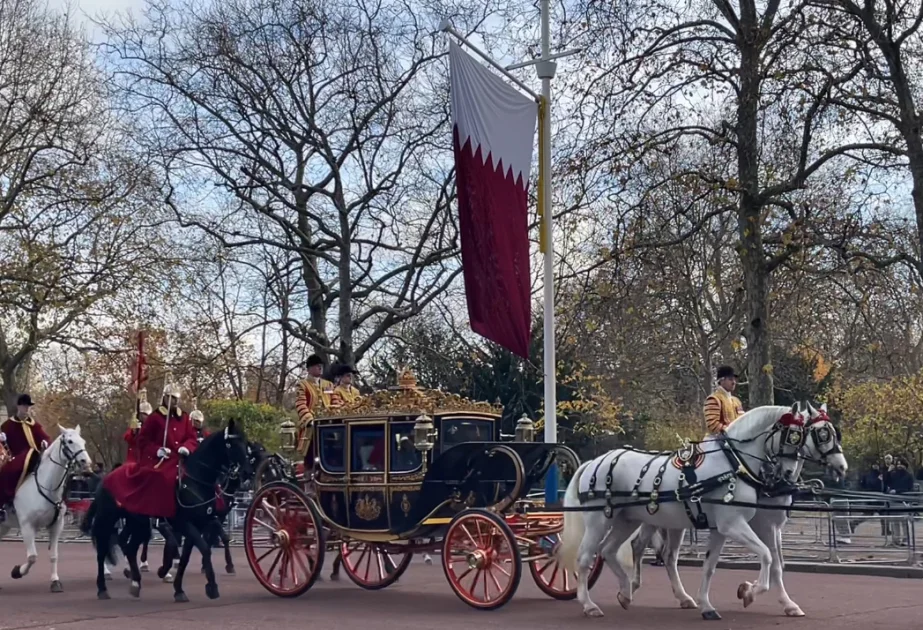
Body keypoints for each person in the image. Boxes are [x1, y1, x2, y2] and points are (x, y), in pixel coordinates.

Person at [102, 383, 199, 519]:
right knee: (160, 477)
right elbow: (143, 441)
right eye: (170, 398)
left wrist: (187, 447)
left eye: (176, 399)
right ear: (164, 398)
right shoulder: (155, 417)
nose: (173, 402)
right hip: (162, 459)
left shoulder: (184, 417)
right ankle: (164, 515)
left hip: (182, 458)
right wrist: (157, 450)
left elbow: (192, 437)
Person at [0, 394, 52, 522]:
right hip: (15, 459)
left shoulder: (35, 425)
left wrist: (45, 443)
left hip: (34, 457)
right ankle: (4, 504)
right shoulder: (8, 425)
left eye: (28, 406)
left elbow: (45, 438)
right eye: (24, 406)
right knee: (5, 474)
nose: (27, 408)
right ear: (18, 406)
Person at [295, 354, 334, 468]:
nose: (320, 367)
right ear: (309, 369)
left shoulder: (329, 385)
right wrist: (310, 420)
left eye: (320, 365)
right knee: (311, 459)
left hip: (329, 426)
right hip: (311, 428)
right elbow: (300, 404)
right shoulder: (302, 384)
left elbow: (335, 402)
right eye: (316, 366)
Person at [704, 365, 745, 434]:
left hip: (736, 439)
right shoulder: (713, 399)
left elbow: (743, 421)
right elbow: (712, 424)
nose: (734, 382)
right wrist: (732, 431)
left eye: (734, 379)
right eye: (730, 379)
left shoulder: (737, 401)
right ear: (721, 380)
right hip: (717, 440)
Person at [124, 389, 153, 465]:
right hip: (134, 458)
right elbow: (127, 438)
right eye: (144, 414)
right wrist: (134, 431)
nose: (146, 417)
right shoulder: (134, 424)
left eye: (147, 415)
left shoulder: (151, 427)